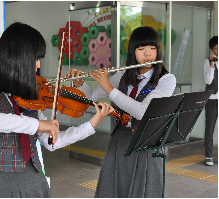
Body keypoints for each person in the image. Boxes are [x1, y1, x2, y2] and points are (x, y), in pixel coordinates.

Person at [0, 22, 115, 198]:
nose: (38, 65)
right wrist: (36, 124)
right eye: (36, 59)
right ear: (18, 58)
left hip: (36, 181)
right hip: (1, 187)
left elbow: (54, 142)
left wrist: (91, 124)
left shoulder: (29, 98)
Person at [68, 26, 176, 197]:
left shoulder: (166, 79)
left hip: (146, 143)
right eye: (141, 49)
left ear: (158, 51)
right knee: (114, 189)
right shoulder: (123, 75)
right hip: (120, 140)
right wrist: (80, 83)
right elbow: (91, 96)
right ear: (133, 52)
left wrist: (110, 89)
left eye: (152, 49)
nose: (147, 54)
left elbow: (143, 112)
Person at [203, 36, 218, 166]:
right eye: (216, 48)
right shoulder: (207, 62)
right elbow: (208, 81)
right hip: (212, 99)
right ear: (212, 50)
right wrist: (212, 65)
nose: (218, 50)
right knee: (210, 128)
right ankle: (208, 156)